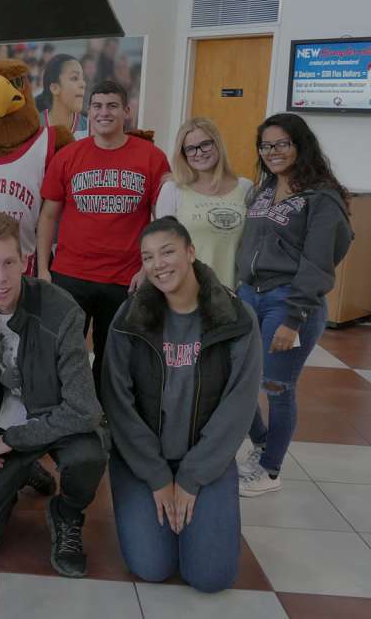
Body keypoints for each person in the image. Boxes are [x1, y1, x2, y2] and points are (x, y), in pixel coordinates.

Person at [0, 212, 107, 577]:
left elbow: (84, 410)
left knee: (89, 455)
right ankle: (24, 471)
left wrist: (14, 439)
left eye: (9, 262)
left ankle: (67, 514)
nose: (0, 277)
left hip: (56, 416)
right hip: (4, 421)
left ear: (25, 262)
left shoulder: (62, 312)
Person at [102, 216, 262, 593]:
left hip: (204, 458)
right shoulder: (129, 319)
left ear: (191, 252)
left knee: (211, 577)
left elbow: (239, 406)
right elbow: (117, 402)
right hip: (143, 460)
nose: (158, 264)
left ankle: (198, 515)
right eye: (148, 257)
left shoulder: (236, 319)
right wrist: (157, 476)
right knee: (153, 567)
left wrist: (191, 477)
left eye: (168, 251)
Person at [235, 113, 353, 497]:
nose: (273, 152)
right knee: (240, 379)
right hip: (250, 297)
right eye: (266, 146)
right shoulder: (263, 191)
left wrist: (294, 318)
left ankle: (270, 469)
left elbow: (319, 262)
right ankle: (264, 444)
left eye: (281, 144)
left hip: (288, 303)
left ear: (300, 145)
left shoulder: (322, 198)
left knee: (276, 387)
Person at [37, 80, 171, 391]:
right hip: (70, 274)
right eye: (97, 106)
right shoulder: (68, 156)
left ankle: (106, 420)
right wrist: (44, 270)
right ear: (89, 112)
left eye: (112, 106)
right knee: (63, 354)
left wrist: (146, 269)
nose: (103, 112)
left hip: (125, 279)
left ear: (127, 111)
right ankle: (67, 417)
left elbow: (163, 222)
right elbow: (47, 216)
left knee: (115, 359)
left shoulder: (151, 157)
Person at [155, 118, 253, 289]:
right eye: (190, 149)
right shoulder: (172, 190)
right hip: (187, 293)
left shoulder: (246, 188)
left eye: (205, 144)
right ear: (183, 154)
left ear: (217, 144)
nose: (199, 153)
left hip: (233, 293)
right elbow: (161, 247)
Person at [35, 54, 88, 139]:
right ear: (55, 88)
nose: (83, 84)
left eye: (83, 78)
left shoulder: (91, 129)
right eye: (75, 78)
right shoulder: (33, 128)